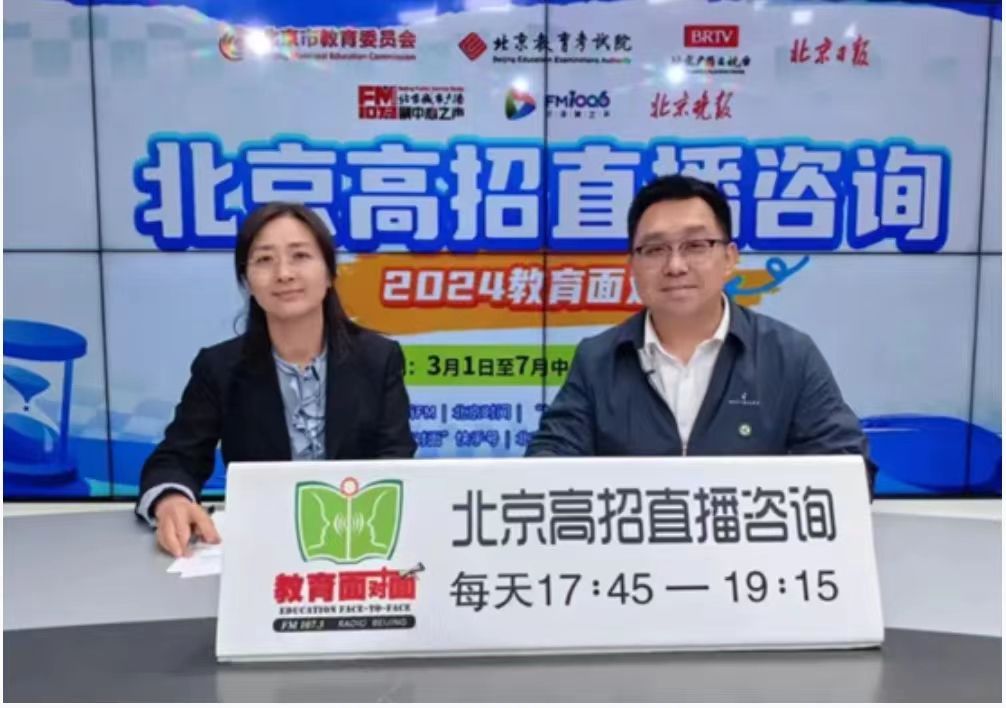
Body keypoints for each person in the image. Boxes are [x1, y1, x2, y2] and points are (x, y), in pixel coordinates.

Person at [526, 175, 875, 490]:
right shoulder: (598, 359)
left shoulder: (789, 355)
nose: (675, 266)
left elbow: (846, 471)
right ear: (632, 265)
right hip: (633, 540)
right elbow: (546, 465)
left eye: (695, 246)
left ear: (729, 258)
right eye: (655, 249)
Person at [136, 202, 417, 556]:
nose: (284, 273)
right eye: (265, 259)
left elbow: (396, 460)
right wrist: (171, 500)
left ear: (329, 273)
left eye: (300, 256)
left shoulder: (377, 358)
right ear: (247, 280)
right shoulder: (219, 368)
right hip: (262, 545)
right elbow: (176, 458)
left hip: (360, 540)